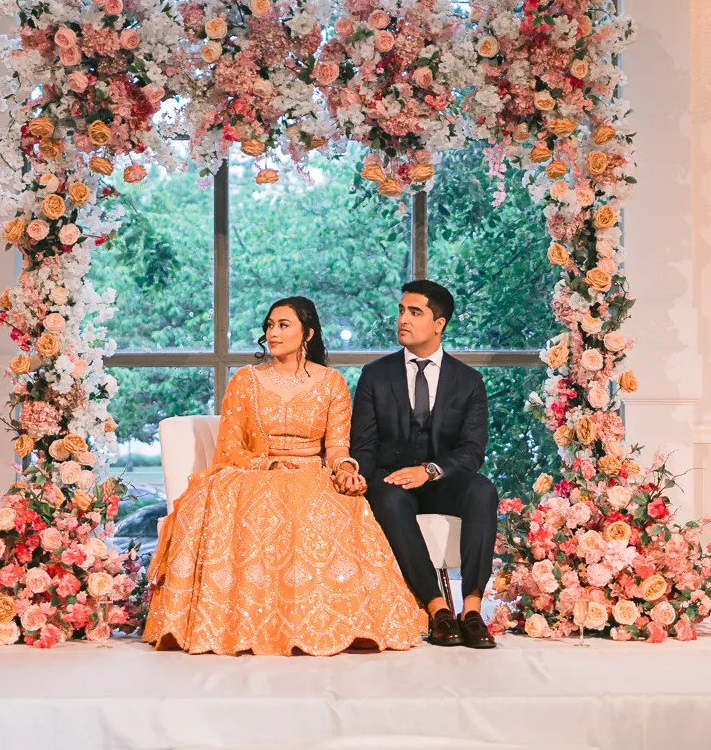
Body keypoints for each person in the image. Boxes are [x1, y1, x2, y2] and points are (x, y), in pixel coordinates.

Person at [142, 296, 423, 655]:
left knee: (331, 505)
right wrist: (267, 465)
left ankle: (322, 623)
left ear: (307, 333)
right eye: (269, 326)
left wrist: (346, 469)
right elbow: (229, 449)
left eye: (283, 325)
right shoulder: (246, 380)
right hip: (254, 471)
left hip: (312, 471)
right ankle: (241, 624)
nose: (273, 333)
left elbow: (337, 447)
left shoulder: (332, 382)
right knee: (234, 500)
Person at [351, 279, 499, 649]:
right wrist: (362, 476)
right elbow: (364, 445)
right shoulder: (375, 375)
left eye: (414, 312)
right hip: (394, 481)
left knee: (482, 489)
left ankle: (471, 611)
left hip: (443, 481)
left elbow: (472, 450)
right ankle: (438, 611)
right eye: (401, 310)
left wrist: (430, 470)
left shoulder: (468, 381)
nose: (403, 318)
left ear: (439, 324)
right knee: (387, 496)